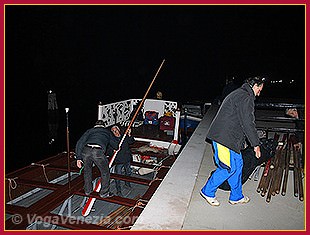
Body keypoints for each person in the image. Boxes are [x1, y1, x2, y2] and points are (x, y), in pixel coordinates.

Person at [201, 76, 266, 206]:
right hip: (224, 138)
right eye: (260, 89)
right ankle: (207, 191)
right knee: (228, 168)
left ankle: (236, 196)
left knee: (238, 165)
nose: (260, 92)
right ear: (254, 86)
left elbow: (239, 121)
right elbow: (248, 123)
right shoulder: (246, 97)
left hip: (231, 139)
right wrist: (255, 144)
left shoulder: (239, 93)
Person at [75, 120, 116, 198]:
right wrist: (116, 148)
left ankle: (87, 190)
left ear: (95, 125)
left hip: (86, 151)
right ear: (103, 126)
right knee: (105, 172)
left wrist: (78, 158)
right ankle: (104, 193)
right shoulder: (106, 132)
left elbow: (80, 143)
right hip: (97, 151)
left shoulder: (90, 131)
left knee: (87, 171)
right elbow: (114, 144)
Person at [110, 125, 135, 197]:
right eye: (113, 131)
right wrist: (112, 150)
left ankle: (127, 184)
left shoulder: (124, 137)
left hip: (127, 158)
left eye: (116, 130)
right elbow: (108, 150)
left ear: (119, 130)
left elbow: (132, 141)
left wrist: (129, 134)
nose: (115, 132)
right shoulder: (112, 140)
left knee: (128, 172)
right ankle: (119, 191)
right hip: (119, 160)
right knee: (118, 176)